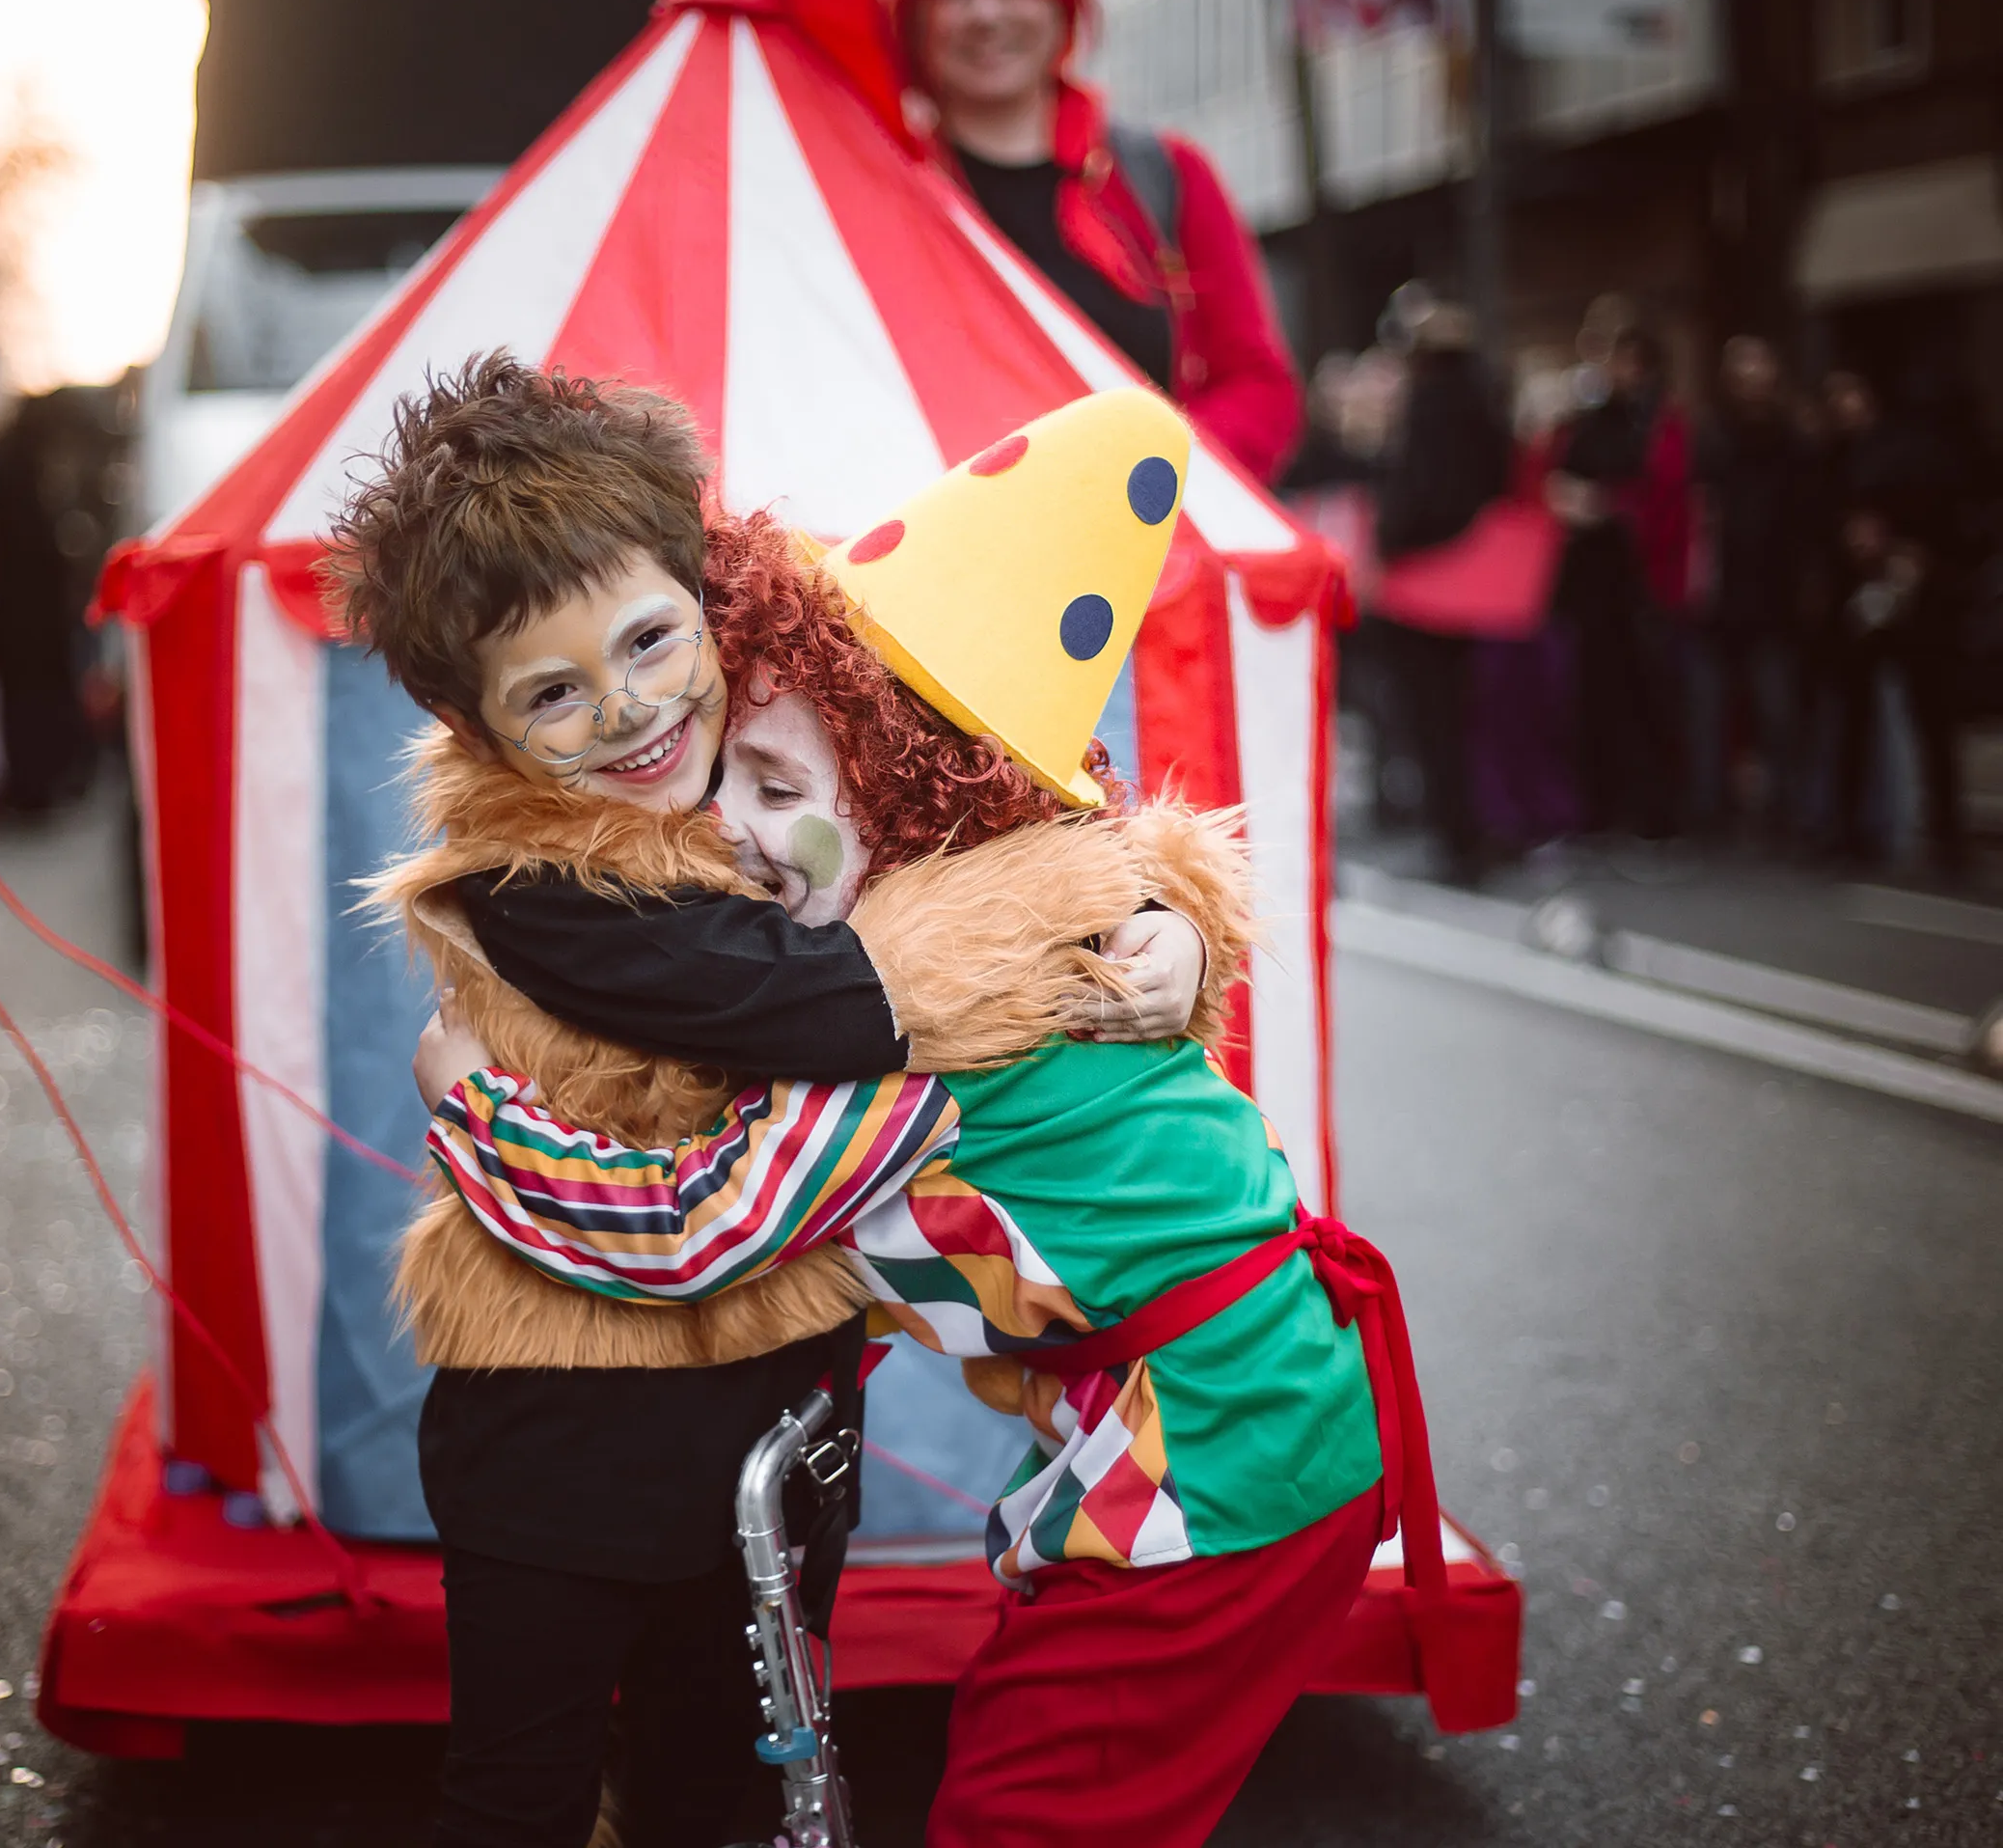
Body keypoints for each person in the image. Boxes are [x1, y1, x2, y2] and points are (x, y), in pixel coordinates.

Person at [412, 479, 1408, 1848]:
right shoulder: (985, 919)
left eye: (778, 789)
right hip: (1273, 1424)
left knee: (1031, 1813)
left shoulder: (898, 1041)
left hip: (1217, 1464)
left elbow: (689, 1231)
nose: (730, 829)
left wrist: (476, 1108)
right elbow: (1105, 869)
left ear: (909, 804)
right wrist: (1170, 915)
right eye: (728, 783)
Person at [330, 356, 1214, 1848]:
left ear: (704, 597)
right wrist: (1083, 911)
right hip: (565, 1447)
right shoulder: (539, 888)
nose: (629, 712)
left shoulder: (767, 742)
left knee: (723, 1786)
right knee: (522, 1799)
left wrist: (1165, 916)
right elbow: (847, 996)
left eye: (650, 640)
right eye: (553, 693)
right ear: (478, 727)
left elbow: (976, 810)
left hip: (783, 1427)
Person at [896, 0, 1302, 481]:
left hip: (1154, 514)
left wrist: (1159, 474)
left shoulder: (1167, 175)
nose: (986, 14)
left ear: (1062, 9)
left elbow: (1257, 386)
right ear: (915, 18)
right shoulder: (888, 193)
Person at [1367, 302, 1512, 883]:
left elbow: (1415, 494)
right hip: (1483, 580)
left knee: (1433, 720)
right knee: (1480, 715)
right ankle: (1487, 831)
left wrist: (1388, 539)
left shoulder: (1426, 408)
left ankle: (1457, 840)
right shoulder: (1488, 405)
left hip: (1422, 586)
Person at [1820, 368, 1970, 872]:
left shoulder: (1915, 451)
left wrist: (1909, 552)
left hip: (1915, 599)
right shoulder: (1833, 457)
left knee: (1931, 717)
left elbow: (1946, 516)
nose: (1844, 404)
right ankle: (1853, 829)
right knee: (1854, 720)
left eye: (1850, 392)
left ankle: (1946, 833)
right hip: (1857, 601)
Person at [1546, 318, 1689, 841]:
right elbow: (1558, 480)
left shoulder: (1659, 423)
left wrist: (1608, 503)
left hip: (1645, 580)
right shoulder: (1591, 423)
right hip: (1596, 586)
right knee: (1597, 697)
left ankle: (1655, 808)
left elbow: (1664, 496)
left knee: (1650, 697)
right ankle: (1603, 806)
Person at [1688, 336, 1812, 842]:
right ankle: (1712, 814)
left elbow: (1805, 520)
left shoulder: (1792, 440)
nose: (1750, 383)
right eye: (1741, 374)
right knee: (1710, 714)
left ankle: (1787, 814)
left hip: (1773, 598)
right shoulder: (1711, 439)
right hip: (1719, 599)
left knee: (1778, 712)